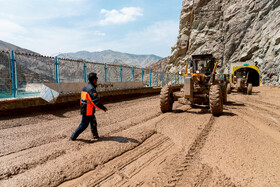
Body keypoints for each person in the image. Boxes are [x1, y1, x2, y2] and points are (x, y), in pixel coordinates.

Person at [70, 72, 107, 141]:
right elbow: (95, 102)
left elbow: (81, 99)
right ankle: (73, 137)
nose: (97, 80)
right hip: (88, 111)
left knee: (93, 122)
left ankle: (95, 135)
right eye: (96, 78)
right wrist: (103, 108)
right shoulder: (91, 89)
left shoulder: (85, 87)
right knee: (83, 125)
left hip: (86, 109)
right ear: (93, 80)